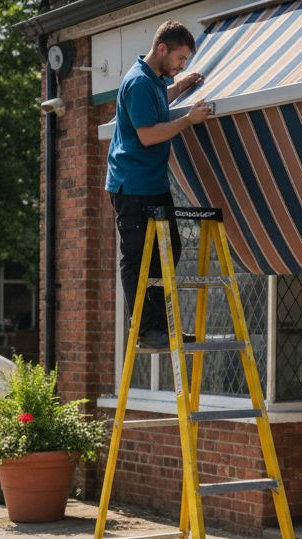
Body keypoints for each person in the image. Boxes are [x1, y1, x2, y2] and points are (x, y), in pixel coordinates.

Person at [105, 20, 214, 349]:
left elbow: (157, 102)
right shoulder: (139, 82)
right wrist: (187, 120)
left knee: (170, 250)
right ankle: (143, 330)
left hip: (151, 183)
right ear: (163, 49)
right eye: (180, 58)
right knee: (139, 257)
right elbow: (148, 134)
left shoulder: (153, 80)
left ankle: (160, 328)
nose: (182, 65)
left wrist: (179, 87)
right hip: (132, 185)